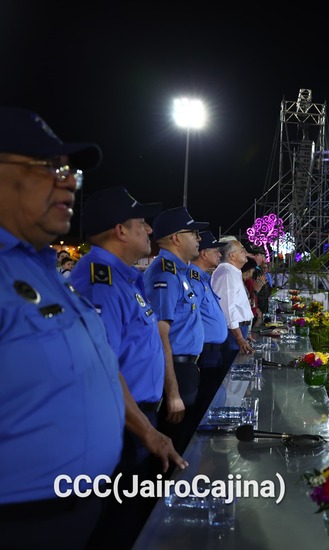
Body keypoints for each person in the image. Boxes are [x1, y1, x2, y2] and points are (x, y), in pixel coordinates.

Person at [0, 107, 124, 549]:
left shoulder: (42, 267)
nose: (69, 181)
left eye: (70, 171)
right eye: (49, 167)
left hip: (79, 512)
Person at [71, 186, 187, 547]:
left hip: (137, 418)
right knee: (118, 524)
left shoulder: (124, 279)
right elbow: (102, 367)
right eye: (142, 224)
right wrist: (147, 432)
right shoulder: (99, 282)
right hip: (123, 424)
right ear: (120, 230)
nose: (150, 231)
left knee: (134, 516)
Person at [143, 206, 209, 452]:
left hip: (186, 367)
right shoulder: (165, 273)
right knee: (175, 443)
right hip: (176, 370)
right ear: (176, 238)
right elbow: (160, 335)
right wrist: (172, 392)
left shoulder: (178, 272)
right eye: (194, 233)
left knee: (184, 439)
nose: (199, 239)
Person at [187, 230, 230, 435]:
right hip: (204, 352)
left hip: (212, 351)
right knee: (203, 405)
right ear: (203, 253)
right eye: (216, 250)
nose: (219, 255)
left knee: (209, 399)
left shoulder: (203, 279)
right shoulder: (193, 279)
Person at [211, 237, 255, 364]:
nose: (245, 252)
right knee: (234, 374)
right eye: (242, 250)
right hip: (233, 334)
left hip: (239, 330)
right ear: (232, 255)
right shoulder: (226, 273)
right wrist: (239, 337)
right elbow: (227, 309)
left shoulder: (233, 272)